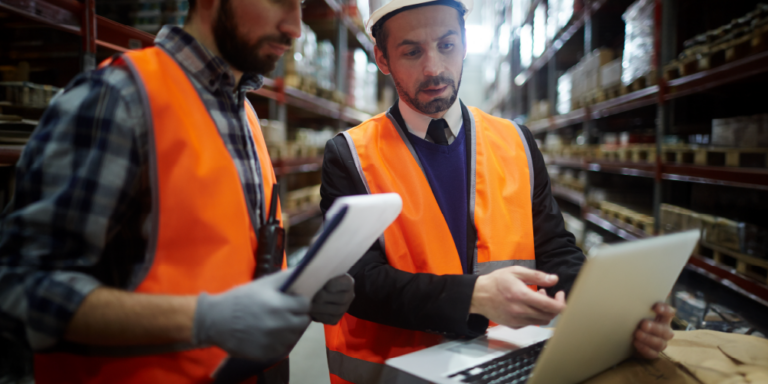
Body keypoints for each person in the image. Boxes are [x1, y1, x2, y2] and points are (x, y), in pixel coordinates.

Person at [319, 0, 676, 382]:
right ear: (382, 58)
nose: (434, 68)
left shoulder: (515, 141)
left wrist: (615, 315)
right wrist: (473, 296)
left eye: (447, 44)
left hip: (504, 367)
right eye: (412, 51)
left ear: (465, 42)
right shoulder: (351, 155)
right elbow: (358, 280)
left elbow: (554, 247)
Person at [0, 0, 355, 382]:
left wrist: (299, 291)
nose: (296, 27)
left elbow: (226, 257)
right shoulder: (118, 97)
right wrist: (204, 320)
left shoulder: (244, 114)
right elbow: (20, 287)